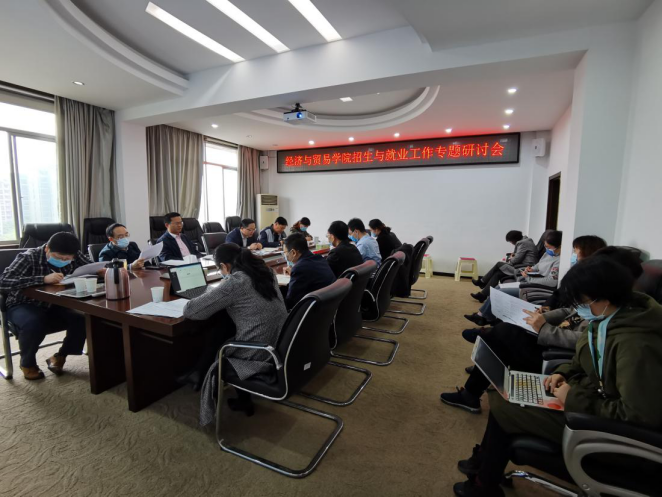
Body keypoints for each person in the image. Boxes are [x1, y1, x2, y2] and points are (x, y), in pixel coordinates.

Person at [452, 256, 662, 496]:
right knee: (508, 392)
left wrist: (573, 398)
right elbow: (584, 358)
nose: (578, 309)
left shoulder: (637, 346)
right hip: (589, 398)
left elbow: (638, 417)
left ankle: (483, 484)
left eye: (582, 302)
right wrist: (563, 372)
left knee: (506, 407)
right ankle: (484, 472)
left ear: (603, 297)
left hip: (611, 435)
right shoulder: (608, 318)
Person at [440, 246, 642, 414]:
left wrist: (545, 329)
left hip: (558, 353)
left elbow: (586, 341)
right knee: (507, 330)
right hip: (556, 338)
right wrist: (545, 316)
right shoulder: (603, 298)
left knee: (503, 335)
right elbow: (570, 311)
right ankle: (482, 365)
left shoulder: (616, 313)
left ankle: (479, 363)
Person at [184, 243, 288, 421]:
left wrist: (215, 290)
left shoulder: (235, 283)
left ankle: (201, 375)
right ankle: (199, 374)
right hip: (279, 341)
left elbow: (191, 311)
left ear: (224, 266)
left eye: (220, 269)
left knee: (220, 335)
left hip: (258, 352)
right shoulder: (266, 272)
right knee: (222, 327)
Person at [0, 232, 90, 380]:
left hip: (56, 303)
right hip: (23, 303)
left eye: (67, 259)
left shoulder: (75, 254)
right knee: (34, 322)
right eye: (58, 257)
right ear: (47, 248)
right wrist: (42, 279)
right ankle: (27, 364)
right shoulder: (29, 257)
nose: (63, 261)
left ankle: (60, 356)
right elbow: (3, 281)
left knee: (82, 319)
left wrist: (99, 270)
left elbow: (90, 267)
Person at [465, 230, 562, 325]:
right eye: (545, 246)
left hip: (537, 285)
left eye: (548, 247)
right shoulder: (548, 253)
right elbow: (539, 265)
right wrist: (531, 269)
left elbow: (551, 281)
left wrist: (529, 278)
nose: (546, 248)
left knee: (500, 288)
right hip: (532, 277)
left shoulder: (559, 261)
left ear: (559, 246)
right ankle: (483, 316)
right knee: (498, 287)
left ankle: (482, 315)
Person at [470, 231, 537, 299]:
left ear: (514, 239)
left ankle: (482, 282)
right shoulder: (525, 241)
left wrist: (511, 258)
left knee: (499, 264)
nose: (511, 243)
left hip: (524, 269)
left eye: (511, 241)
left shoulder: (523, 243)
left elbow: (516, 260)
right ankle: (483, 295)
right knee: (498, 273)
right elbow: (520, 256)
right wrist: (513, 256)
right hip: (522, 266)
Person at [283, 233, 336, 310]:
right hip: (329, 306)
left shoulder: (299, 268)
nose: (285, 256)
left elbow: (291, 301)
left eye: (285, 252)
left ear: (293, 252)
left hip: (315, 310)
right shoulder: (319, 258)